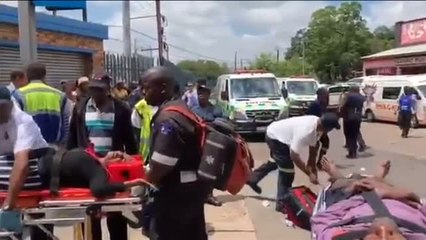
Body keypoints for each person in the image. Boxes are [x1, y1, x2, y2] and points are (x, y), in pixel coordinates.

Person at [67, 72, 137, 240]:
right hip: (87, 169)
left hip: (114, 169)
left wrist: (134, 163)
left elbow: (130, 140)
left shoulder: (121, 109)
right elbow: (72, 138)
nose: (95, 93)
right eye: (92, 89)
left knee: (116, 215)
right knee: (90, 217)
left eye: (99, 89)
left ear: (108, 90)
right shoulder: (80, 108)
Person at [142, 66, 210, 240]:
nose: (143, 92)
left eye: (147, 87)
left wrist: (143, 182)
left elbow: (161, 165)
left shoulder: (168, 118)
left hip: (174, 197)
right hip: (191, 192)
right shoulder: (182, 110)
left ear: (163, 87)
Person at [312, 157, 426, 239]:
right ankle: (378, 178)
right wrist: (410, 196)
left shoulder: (336, 236)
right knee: (379, 183)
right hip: (399, 199)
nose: (383, 232)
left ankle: (337, 175)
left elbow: (321, 219)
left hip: (356, 200)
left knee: (345, 186)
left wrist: (363, 197)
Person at [246, 113, 341, 211]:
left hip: (280, 135)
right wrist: (308, 173)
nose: (330, 131)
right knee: (287, 171)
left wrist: (312, 169)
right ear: (326, 127)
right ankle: (282, 203)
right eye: (331, 129)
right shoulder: (306, 131)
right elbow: (294, 155)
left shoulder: (318, 125)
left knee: (277, 162)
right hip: (275, 137)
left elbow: (313, 149)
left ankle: (253, 178)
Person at [0, 86, 53, 240]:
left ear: (10, 104)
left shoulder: (23, 121)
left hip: (36, 171)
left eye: (2, 107)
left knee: (39, 233)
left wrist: (8, 206)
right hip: (10, 172)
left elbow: (22, 165)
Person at [13, 62, 71, 149]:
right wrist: (63, 143)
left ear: (27, 75)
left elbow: (14, 121)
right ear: (44, 75)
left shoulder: (18, 94)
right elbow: (66, 122)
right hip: (53, 146)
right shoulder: (59, 95)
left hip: (27, 147)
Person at [190, 85, 224, 207]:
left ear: (209, 95)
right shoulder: (192, 109)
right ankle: (197, 193)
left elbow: (223, 125)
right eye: (199, 94)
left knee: (210, 169)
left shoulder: (216, 110)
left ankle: (209, 194)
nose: (201, 96)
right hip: (196, 144)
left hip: (211, 145)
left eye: (204, 94)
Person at [305, 87, 330, 169]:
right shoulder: (315, 105)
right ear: (320, 95)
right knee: (315, 146)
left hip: (321, 129)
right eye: (325, 95)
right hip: (314, 129)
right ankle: (311, 164)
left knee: (325, 143)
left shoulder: (323, 104)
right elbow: (309, 117)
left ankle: (319, 162)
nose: (326, 97)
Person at [340, 85, 364, 159]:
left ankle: (351, 152)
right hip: (358, 118)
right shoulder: (361, 97)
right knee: (354, 134)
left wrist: (341, 113)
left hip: (348, 118)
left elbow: (343, 105)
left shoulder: (348, 96)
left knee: (348, 135)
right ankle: (354, 151)